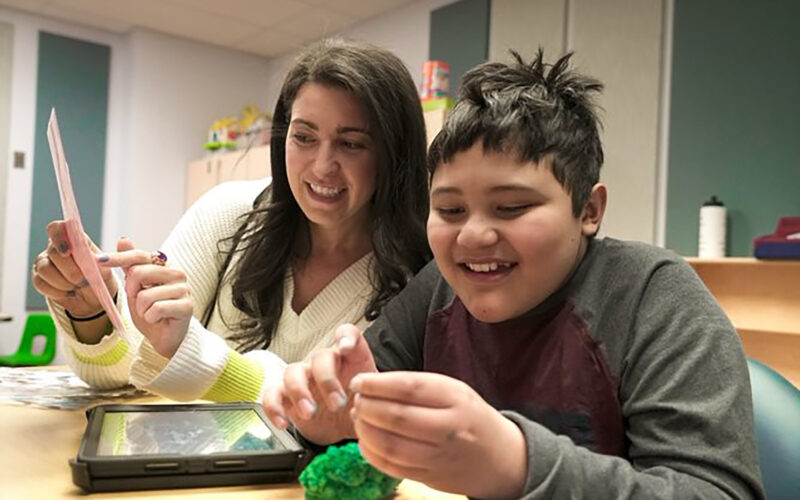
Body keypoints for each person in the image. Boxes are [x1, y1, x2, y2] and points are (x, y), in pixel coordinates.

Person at [263, 50, 765, 499]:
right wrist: (329, 418)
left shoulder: (653, 297)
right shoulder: (436, 288)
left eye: (511, 207)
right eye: (451, 210)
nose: (473, 237)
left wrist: (516, 464)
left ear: (588, 209)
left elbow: (714, 490)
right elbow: (355, 408)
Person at [31, 38, 431, 402]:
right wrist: (93, 311)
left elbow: (321, 409)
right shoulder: (229, 212)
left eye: (351, 144)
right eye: (304, 137)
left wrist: (185, 350)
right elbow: (135, 367)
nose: (323, 166)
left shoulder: (417, 279)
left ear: (393, 154)